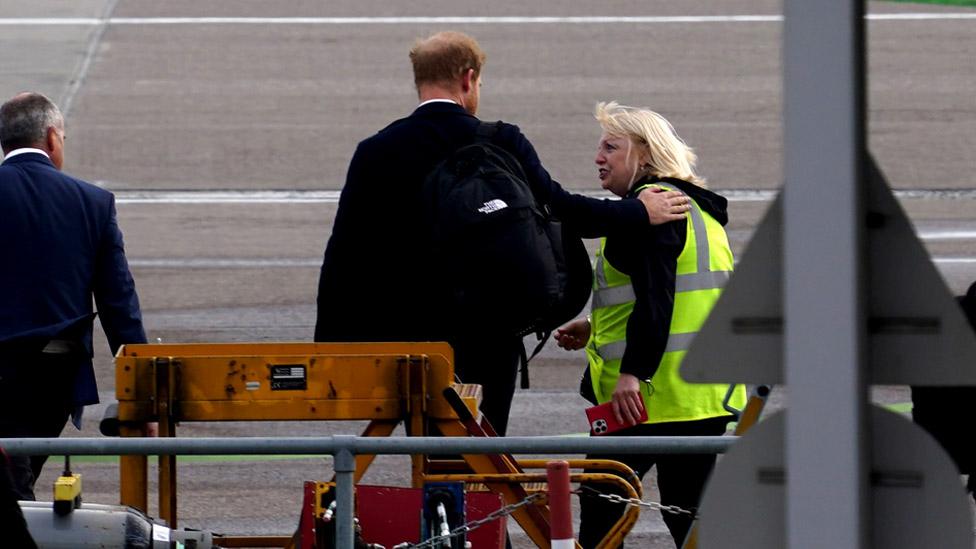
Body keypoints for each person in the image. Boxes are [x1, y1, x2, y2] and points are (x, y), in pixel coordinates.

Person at [314, 31, 691, 437]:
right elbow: (563, 210)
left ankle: (437, 499)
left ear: (419, 80)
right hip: (489, 328)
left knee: (429, 446)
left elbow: (345, 253)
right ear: (468, 79)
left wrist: (331, 350)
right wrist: (638, 211)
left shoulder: (377, 151)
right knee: (482, 450)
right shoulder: (499, 140)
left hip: (411, 337)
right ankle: (471, 498)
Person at [554, 102, 746, 548]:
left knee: (601, 509)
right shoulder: (703, 213)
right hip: (701, 397)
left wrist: (631, 373)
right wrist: (592, 324)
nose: (598, 157)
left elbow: (657, 298)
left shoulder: (650, 211)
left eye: (610, 147)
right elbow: (679, 297)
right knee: (691, 517)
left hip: (644, 398)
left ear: (644, 153)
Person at [0, 92, 147, 500]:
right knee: (17, 478)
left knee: (14, 479)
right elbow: (120, 306)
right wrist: (144, 396)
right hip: (53, 377)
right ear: (51, 138)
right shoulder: (92, 203)